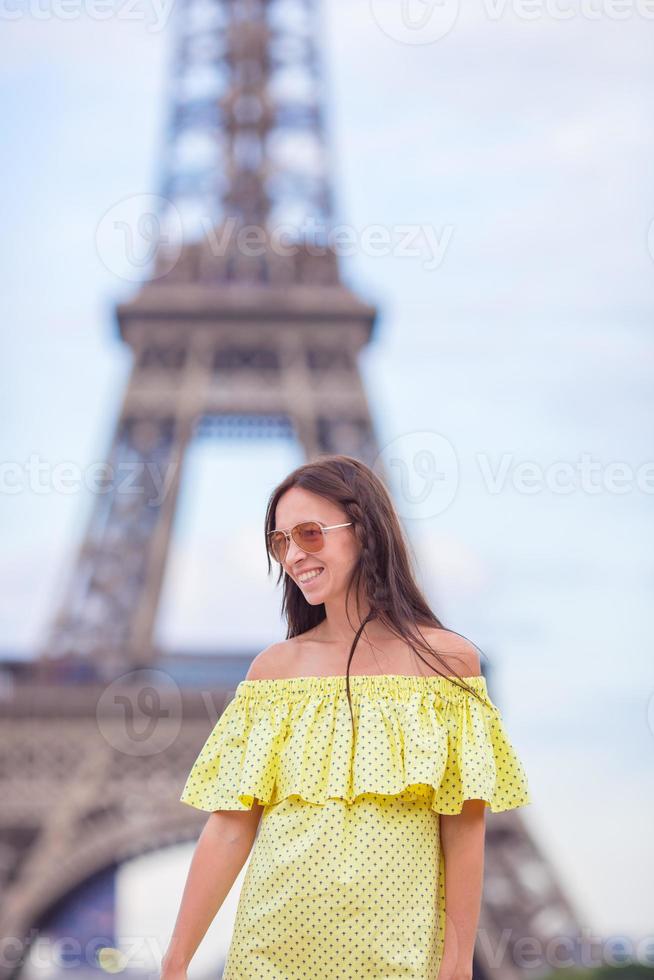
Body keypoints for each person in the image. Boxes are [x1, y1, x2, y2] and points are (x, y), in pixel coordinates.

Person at [161, 454, 532, 980]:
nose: (293, 555)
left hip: (399, 958)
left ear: (365, 530)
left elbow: (465, 827)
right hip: (272, 951)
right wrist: (175, 961)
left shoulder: (448, 664)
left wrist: (456, 964)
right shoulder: (274, 671)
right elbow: (228, 830)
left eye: (309, 534)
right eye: (279, 541)